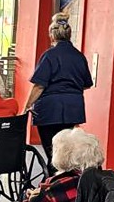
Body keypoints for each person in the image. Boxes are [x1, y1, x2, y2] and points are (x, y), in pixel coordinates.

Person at [23, 13, 93, 169]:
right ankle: (65, 179)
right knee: (66, 149)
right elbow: (87, 83)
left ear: (51, 35)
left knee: (52, 151)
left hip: (50, 109)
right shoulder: (79, 56)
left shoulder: (49, 56)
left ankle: (53, 183)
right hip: (73, 109)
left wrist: (26, 107)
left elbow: (39, 85)